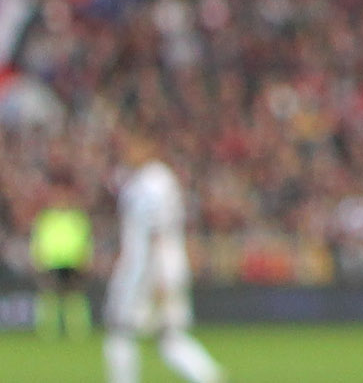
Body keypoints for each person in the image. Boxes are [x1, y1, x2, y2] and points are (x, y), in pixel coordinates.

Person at [102, 131, 222, 383]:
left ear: (149, 146)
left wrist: (158, 277)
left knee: (121, 331)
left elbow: (156, 233)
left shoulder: (150, 183)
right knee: (170, 337)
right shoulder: (159, 179)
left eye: (133, 145)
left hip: (147, 270)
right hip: (166, 266)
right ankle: (209, 376)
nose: (127, 151)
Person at [30, 192, 91, 337]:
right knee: (49, 296)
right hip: (51, 261)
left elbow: (86, 240)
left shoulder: (77, 219)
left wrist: (86, 258)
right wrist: (38, 259)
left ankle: (77, 330)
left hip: (73, 261)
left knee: (74, 297)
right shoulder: (47, 219)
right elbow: (38, 239)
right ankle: (47, 330)